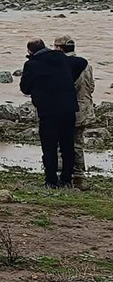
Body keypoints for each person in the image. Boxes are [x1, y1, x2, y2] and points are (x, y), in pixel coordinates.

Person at [20, 38, 81, 188]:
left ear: (29, 51)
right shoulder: (61, 57)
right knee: (68, 146)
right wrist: (67, 78)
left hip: (48, 111)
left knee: (49, 147)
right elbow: (82, 62)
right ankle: (66, 179)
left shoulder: (32, 64)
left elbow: (25, 88)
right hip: (68, 108)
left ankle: (51, 181)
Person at [55, 35, 94, 189]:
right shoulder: (85, 64)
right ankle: (78, 176)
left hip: (71, 110)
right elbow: (91, 86)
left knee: (65, 143)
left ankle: (67, 175)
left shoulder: (64, 65)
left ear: (59, 48)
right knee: (78, 143)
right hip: (86, 108)